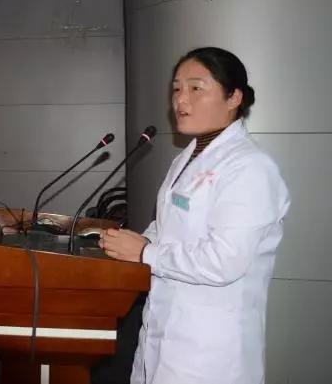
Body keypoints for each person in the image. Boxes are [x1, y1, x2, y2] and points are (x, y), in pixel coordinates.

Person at [99, 47, 290, 384]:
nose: (180, 100)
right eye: (176, 88)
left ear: (233, 98)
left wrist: (145, 253)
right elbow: (169, 225)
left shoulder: (250, 169)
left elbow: (224, 261)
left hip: (209, 349)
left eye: (196, 88)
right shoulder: (189, 157)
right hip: (164, 330)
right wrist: (135, 242)